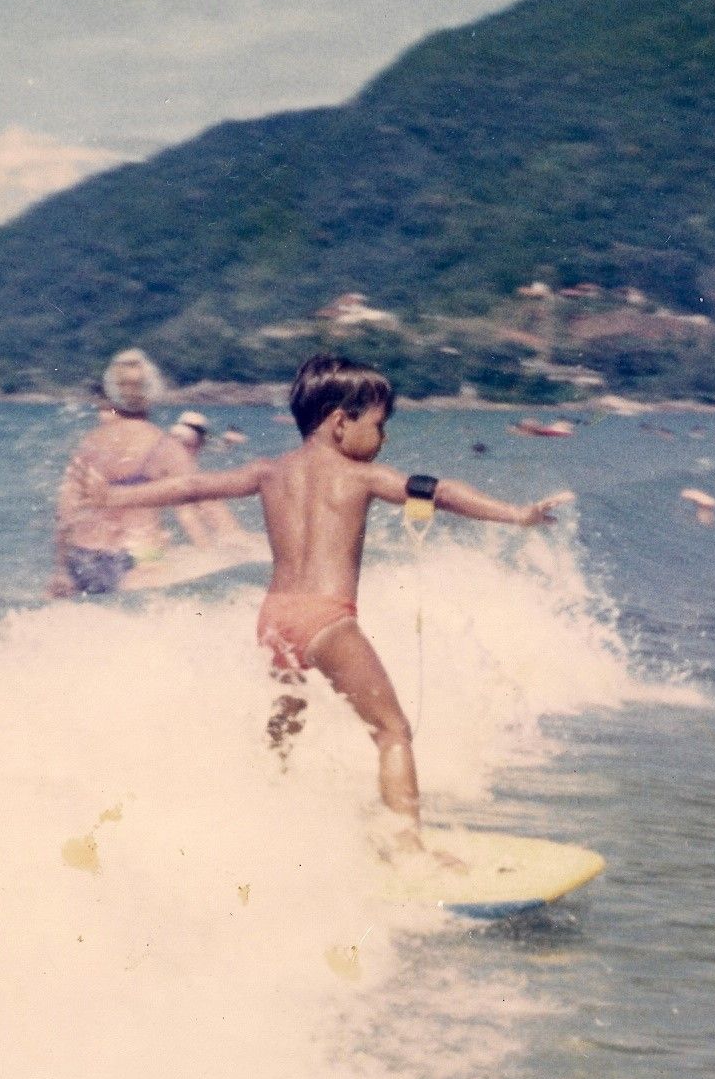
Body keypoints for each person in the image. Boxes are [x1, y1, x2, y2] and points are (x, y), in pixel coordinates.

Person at [83, 354, 570, 852]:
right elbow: (438, 492)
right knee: (392, 730)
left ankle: (266, 816)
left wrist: (113, 500)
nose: (382, 439)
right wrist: (517, 515)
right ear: (341, 422)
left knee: (286, 723)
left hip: (274, 620)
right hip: (325, 619)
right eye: (379, 425)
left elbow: (190, 486)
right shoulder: (363, 477)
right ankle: (407, 852)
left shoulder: (268, 471)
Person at [49, 348, 195, 596]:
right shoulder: (166, 446)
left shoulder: (89, 442)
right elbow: (194, 506)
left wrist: (61, 570)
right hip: (140, 557)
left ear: (112, 393)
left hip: (84, 554)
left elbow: (66, 509)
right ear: (152, 391)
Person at [168, 410, 244, 547]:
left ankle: (204, 545)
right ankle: (227, 538)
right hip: (190, 478)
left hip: (177, 478)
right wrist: (230, 441)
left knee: (186, 509)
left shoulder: (174, 437)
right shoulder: (198, 437)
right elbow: (219, 448)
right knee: (205, 504)